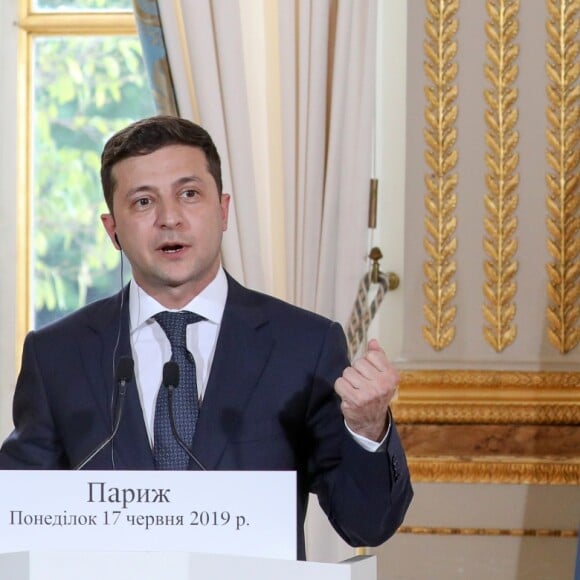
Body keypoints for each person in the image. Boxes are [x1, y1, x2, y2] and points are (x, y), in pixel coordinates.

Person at [0, 115, 413, 559]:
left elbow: (366, 522)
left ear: (223, 211)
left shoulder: (304, 346)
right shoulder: (58, 354)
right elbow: (18, 519)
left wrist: (368, 427)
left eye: (189, 194)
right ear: (112, 229)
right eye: (142, 202)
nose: (169, 218)